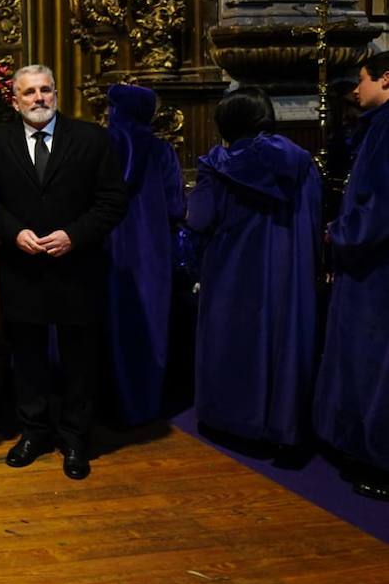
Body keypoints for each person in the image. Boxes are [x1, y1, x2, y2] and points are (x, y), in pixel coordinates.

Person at [0, 64, 127, 480]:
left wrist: (73, 235)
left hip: (76, 269)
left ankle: (76, 438)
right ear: (15, 100)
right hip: (21, 269)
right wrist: (13, 233)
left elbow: (113, 201)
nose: (38, 98)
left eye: (45, 90)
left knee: (80, 359)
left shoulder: (92, 140)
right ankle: (33, 433)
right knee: (26, 358)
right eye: (28, 93)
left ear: (56, 94)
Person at [185, 87, 320, 451]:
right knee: (282, 342)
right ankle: (282, 424)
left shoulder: (217, 164)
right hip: (287, 268)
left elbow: (199, 219)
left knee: (234, 341)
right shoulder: (301, 161)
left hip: (234, 269)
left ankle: (234, 421)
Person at [315, 51, 389, 501]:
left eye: (362, 80)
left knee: (374, 361)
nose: (356, 90)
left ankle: (377, 460)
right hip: (372, 262)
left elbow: (381, 204)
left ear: (386, 78)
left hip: (377, 267)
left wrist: (338, 235)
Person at [104, 83, 186, 426]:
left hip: (108, 246)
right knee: (149, 322)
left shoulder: (104, 144)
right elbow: (175, 205)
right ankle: (146, 404)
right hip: (152, 249)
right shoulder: (161, 150)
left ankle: (109, 403)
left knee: (110, 320)